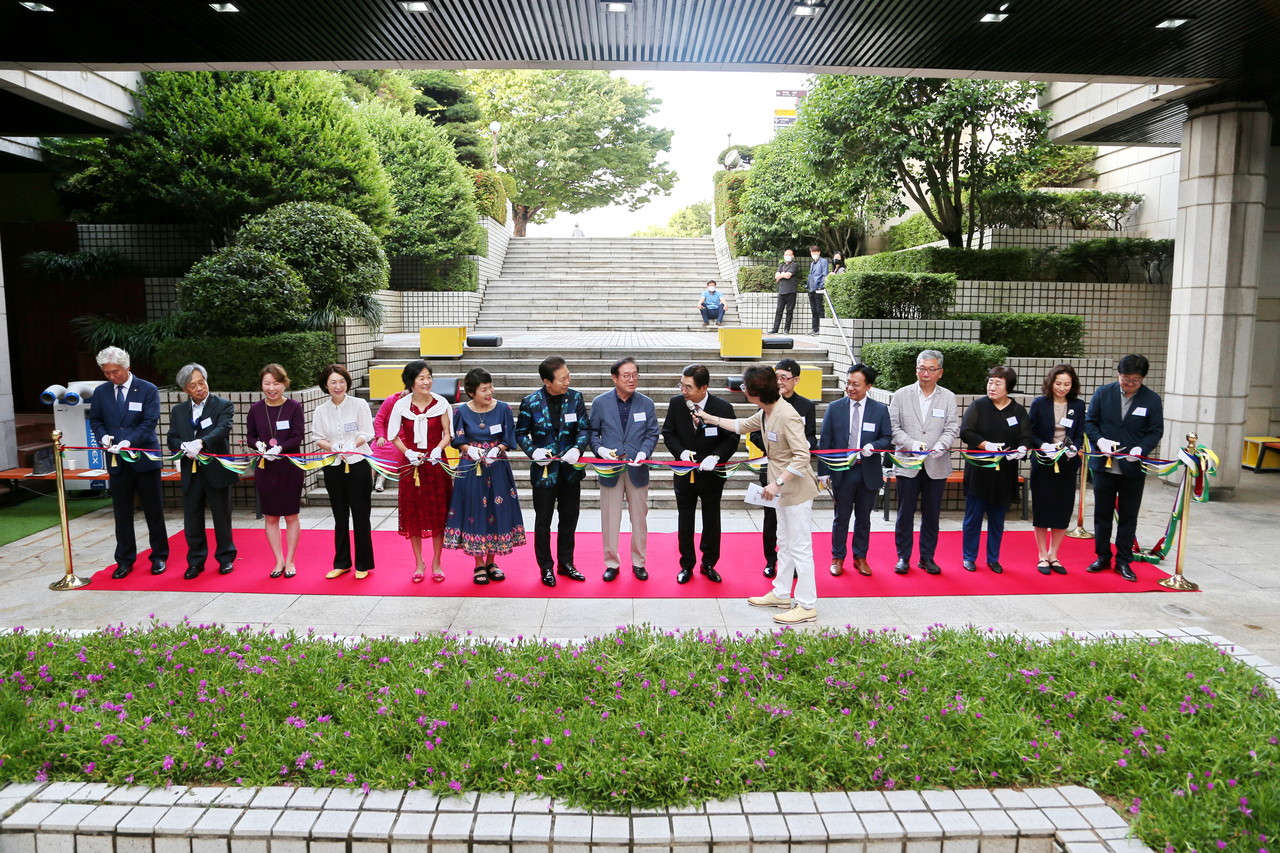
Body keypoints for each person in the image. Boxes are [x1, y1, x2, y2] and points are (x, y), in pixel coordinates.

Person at [695, 367, 821, 624]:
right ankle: (782, 593)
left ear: (756, 393)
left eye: (744, 388)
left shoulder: (788, 415)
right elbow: (741, 426)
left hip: (795, 490)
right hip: (782, 490)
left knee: (800, 548)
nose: (743, 391)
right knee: (784, 542)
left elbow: (802, 457)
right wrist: (710, 417)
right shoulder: (767, 410)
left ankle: (807, 605)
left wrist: (777, 483)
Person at [88, 346, 169, 579]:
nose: (111, 376)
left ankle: (159, 556)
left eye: (115, 371)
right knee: (121, 512)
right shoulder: (101, 392)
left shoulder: (147, 389)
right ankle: (124, 559)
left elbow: (149, 422)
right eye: (106, 373)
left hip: (143, 458)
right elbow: (96, 420)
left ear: (127, 367)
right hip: (116, 460)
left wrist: (127, 442)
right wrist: (102, 436)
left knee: (153, 510)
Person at [1085, 354, 1164, 583]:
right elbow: (1090, 422)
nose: (1129, 384)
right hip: (1104, 464)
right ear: (1118, 374)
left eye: (1135, 380)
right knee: (1102, 513)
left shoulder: (1151, 399)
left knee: (1129, 515)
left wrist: (1141, 448)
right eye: (1125, 378)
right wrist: (1100, 441)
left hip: (1132, 467)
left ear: (1143, 379)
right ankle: (1102, 556)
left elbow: (1155, 431)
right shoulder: (1103, 393)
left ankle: (1124, 560)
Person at [661, 363, 741, 584]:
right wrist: (681, 452)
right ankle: (686, 564)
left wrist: (716, 457)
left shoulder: (722, 408)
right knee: (685, 519)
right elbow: (668, 433)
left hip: (712, 475)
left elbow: (732, 438)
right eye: (681, 385)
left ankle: (709, 563)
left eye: (688, 387)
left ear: (704, 387)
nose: (683, 390)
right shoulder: (677, 404)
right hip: (685, 473)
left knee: (711, 519)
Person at [444, 368, 526, 580]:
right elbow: (458, 440)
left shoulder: (504, 409)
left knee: (496, 510)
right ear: (471, 392)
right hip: (472, 467)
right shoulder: (461, 411)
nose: (489, 393)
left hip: (497, 466)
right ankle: (478, 563)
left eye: (490, 387)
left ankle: (492, 561)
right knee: (475, 510)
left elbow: (509, 438)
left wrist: (498, 449)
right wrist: (470, 450)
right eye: (483, 390)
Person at [516, 356, 588, 587]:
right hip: (544, 473)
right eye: (562, 378)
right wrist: (533, 451)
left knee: (569, 519)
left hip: (569, 471)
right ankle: (545, 567)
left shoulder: (575, 398)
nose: (567, 381)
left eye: (568, 375)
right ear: (547, 381)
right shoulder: (531, 402)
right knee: (543, 521)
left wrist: (577, 449)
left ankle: (566, 563)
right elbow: (520, 433)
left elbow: (584, 428)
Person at [889, 349, 960, 575]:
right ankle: (903, 557)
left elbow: (951, 427)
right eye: (921, 368)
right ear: (916, 369)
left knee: (932, 513)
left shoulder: (948, 397)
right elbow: (893, 428)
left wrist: (942, 444)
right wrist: (910, 443)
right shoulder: (901, 395)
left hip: (936, 463)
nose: (925, 373)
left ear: (940, 372)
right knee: (905, 512)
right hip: (907, 462)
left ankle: (927, 557)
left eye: (931, 369)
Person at [818, 363, 893, 578]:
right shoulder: (835, 408)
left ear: (868, 386)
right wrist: (824, 471)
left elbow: (887, 438)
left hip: (867, 471)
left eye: (856, 384)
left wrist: (874, 446)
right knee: (841, 517)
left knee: (864, 517)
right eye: (848, 383)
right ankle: (837, 556)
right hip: (842, 471)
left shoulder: (879, 410)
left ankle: (860, 557)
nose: (850, 388)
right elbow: (826, 441)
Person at [589, 357, 660, 582]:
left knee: (639, 517)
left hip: (637, 469)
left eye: (635, 375)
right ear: (614, 378)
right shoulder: (601, 403)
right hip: (610, 468)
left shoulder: (646, 403)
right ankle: (611, 562)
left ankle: (639, 562)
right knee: (610, 518)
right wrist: (600, 450)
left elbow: (652, 433)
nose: (632, 379)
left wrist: (644, 453)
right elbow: (592, 433)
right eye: (626, 376)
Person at [166, 363, 237, 580]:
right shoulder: (179, 411)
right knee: (192, 517)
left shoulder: (222, 405)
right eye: (193, 385)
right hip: (191, 471)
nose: (199, 388)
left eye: (202, 382)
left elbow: (222, 428)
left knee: (221, 516)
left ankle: (225, 558)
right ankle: (196, 561)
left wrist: (201, 442)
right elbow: (171, 438)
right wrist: (183, 446)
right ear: (185, 390)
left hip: (216, 470)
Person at [959, 366, 1032, 574]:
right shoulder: (978, 406)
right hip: (980, 469)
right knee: (973, 517)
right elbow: (966, 432)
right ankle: (969, 557)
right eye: (990, 382)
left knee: (998, 518)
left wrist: (1021, 449)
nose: (992, 387)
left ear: (1008, 387)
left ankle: (993, 558)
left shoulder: (1017, 410)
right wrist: (985, 445)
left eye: (998, 383)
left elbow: (1026, 436)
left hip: (1005, 471)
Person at [389, 360, 453, 584]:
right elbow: (393, 435)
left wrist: (438, 449)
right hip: (412, 466)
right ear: (411, 382)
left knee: (437, 514)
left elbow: (447, 433)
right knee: (414, 515)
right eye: (421, 378)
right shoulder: (401, 405)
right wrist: (407, 452)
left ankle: (437, 561)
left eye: (429, 377)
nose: (427, 382)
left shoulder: (441, 403)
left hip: (436, 465)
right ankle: (419, 562)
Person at [750, 358, 815, 578]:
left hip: (794, 476)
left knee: (794, 532)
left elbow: (810, 440)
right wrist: (774, 445)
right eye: (776, 377)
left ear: (796, 380)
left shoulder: (805, 406)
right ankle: (770, 560)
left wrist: (803, 446)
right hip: (771, 468)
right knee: (771, 520)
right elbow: (753, 432)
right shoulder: (767, 404)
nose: (779, 381)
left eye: (784, 377)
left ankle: (793, 567)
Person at [311, 363, 375, 580]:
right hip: (333, 465)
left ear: (347, 382)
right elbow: (317, 437)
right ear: (325, 386)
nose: (338, 386)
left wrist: (352, 444)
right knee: (339, 516)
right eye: (333, 382)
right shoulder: (321, 410)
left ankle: (363, 563)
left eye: (341, 381)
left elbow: (368, 432)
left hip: (358, 464)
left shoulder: (359, 404)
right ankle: (342, 562)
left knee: (360, 514)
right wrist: (332, 447)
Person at [246, 363, 305, 579]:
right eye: (267, 383)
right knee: (270, 516)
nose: (272, 388)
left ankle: (290, 559)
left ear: (284, 384)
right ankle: (278, 560)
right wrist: (259, 446)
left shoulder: (294, 407)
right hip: (266, 467)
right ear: (262, 384)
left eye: (276, 383)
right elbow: (250, 435)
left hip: (289, 467)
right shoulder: (255, 409)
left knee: (290, 515)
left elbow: (298, 435)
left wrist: (280, 447)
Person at [1028, 364, 1087, 574]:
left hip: (1067, 463)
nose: (1062, 388)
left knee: (1063, 508)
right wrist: (1043, 446)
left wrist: (1075, 447)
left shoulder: (1078, 406)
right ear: (1051, 382)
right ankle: (1042, 554)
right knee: (1042, 507)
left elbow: (1080, 431)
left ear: (1073, 385)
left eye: (1067, 384)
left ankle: (1054, 554)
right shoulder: (1039, 404)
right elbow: (1030, 430)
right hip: (1044, 462)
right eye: (1058, 383)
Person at [372, 389, 408, 494]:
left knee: (397, 452)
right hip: (386, 433)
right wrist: (380, 436)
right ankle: (371, 477)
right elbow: (379, 419)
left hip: (402, 437)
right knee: (377, 449)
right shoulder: (391, 400)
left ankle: (382, 478)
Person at [769, 248, 798, 335]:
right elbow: (776, 276)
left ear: (792, 256)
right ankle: (775, 329)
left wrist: (780, 276)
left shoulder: (794, 265)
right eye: (786, 255)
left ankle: (786, 329)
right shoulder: (781, 265)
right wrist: (782, 275)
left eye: (789, 255)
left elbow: (788, 275)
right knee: (779, 311)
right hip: (781, 292)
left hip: (791, 291)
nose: (787, 256)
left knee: (789, 311)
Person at [806, 245, 828, 335]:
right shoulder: (812, 263)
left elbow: (824, 274)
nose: (813, 254)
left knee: (820, 310)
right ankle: (814, 329)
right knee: (813, 310)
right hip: (811, 289)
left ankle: (821, 329)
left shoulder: (823, 261)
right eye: (812, 252)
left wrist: (821, 286)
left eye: (815, 252)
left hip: (818, 289)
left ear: (819, 252)